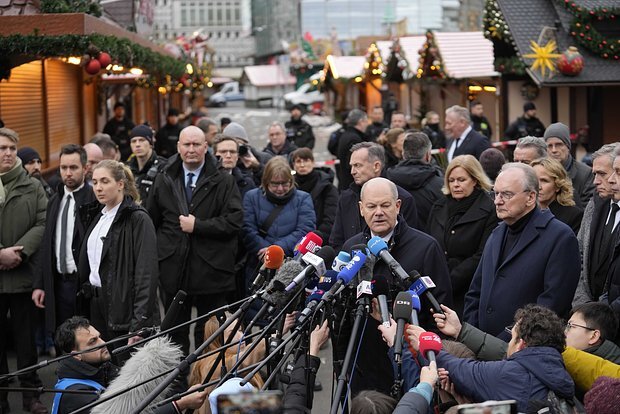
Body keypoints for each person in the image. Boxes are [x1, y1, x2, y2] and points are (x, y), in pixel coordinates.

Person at [340, 177, 452, 395]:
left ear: (398, 206)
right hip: (365, 370)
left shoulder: (426, 247)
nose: (378, 212)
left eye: (385, 205)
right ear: (361, 209)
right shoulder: (352, 248)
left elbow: (440, 312)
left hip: (411, 368)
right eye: (372, 206)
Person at [147, 126, 243, 356]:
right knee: (174, 334)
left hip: (212, 271)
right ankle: (177, 385)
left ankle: (204, 383)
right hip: (174, 270)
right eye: (187, 144)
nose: (191, 149)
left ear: (206, 147)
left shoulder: (223, 180)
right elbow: (151, 221)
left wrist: (198, 225)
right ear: (178, 147)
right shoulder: (164, 178)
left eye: (196, 144)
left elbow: (234, 221)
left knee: (209, 335)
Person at [463, 163, 580, 338]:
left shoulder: (560, 237)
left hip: (524, 350)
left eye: (507, 194)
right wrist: (474, 336)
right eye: (495, 193)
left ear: (531, 197)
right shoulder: (496, 234)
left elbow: (550, 306)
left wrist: (504, 342)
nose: (498, 201)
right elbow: (475, 292)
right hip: (482, 348)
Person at [409, 304, 575, 413]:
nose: (508, 343)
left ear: (521, 345)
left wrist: (422, 342)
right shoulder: (555, 371)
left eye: (512, 337)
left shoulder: (512, 374)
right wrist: (460, 331)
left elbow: (461, 369)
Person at [79, 160, 159, 356]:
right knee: (104, 367)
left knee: (126, 370)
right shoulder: (98, 215)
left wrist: (139, 323)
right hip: (96, 305)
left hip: (124, 310)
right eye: (95, 182)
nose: (98, 188)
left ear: (120, 184)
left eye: (105, 181)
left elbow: (146, 274)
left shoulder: (137, 218)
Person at [52, 316, 207, 414]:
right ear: (76, 355)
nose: (103, 343)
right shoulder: (75, 395)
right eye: (93, 342)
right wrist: (181, 404)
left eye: (99, 337)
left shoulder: (96, 368)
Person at [0, 127, 48, 414]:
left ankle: (32, 396)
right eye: (2, 148)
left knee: (26, 341)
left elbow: (43, 222)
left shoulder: (32, 186)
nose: (7, 153)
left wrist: (19, 251)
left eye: (11, 149)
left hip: (22, 276)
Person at [33, 144, 96, 337]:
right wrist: (40, 284)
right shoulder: (55, 200)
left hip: (82, 285)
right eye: (63, 168)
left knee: (86, 340)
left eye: (73, 168)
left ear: (85, 169)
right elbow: (46, 245)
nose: (68, 173)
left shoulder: (93, 200)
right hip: (57, 283)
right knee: (62, 339)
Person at [427, 155, 498, 316]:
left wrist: (450, 279)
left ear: (475, 180)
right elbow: (429, 243)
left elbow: (482, 254)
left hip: (468, 291)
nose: (456, 185)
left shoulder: (488, 209)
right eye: (451, 180)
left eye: (461, 180)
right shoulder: (439, 206)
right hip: (436, 288)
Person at [330, 142, 418, 252]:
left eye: (357, 165)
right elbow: (336, 241)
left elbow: (410, 242)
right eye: (351, 166)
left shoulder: (404, 198)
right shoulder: (346, 198)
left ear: (376, 166)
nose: (352, 172)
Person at [242, 156, 315, 286]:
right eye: (275, 184)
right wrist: (263, 249)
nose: (280, 189)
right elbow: (247, 228)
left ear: (291, 181)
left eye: (285, 183)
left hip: (291, 265)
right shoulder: (251, 197)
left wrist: (275, 250)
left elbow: (305, 229)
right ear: (266, 182)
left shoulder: (303, 198)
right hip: (258, 264)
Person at [573, 143, 619, 306]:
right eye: (594, 174)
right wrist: (582, 305)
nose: (595, 181)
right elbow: (579, 256)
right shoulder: (594, 206)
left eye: (602, 174)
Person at [387, 131, 444, 233]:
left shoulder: (387, 183)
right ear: (428, 155)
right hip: (430, 242)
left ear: (403, 154)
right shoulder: (441, 185)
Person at [291, 147, 338, 242]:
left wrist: (314, 239)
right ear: (293, 165)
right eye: (298, 161)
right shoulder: (288, 187)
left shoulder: (327, 188)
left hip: (320, 240)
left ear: (313, 162)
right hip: (293, 239)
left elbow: (330, 219)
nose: (302, 165)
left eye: (306, 160)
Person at [544, 122, 594, 208]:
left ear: (568, 147)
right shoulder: (541, 172)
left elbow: (588, 210)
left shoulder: (586, 173)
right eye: (550, 146)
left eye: (559, 145)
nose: (554, 150)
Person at [530, 157, 583, 234]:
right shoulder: (522, 212)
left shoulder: (573, 215)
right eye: (534, 180)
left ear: (558, 185)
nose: (538, 187)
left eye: (544, 181)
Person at [127, 124, 167, 201]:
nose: (137, 145)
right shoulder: (127, 169)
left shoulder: (163, 167)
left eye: (142, 140)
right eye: (134, 141)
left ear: (151, 143)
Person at [213, 135, 255, 199]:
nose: (228, 156)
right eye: (223, 152)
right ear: (215, 155)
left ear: (237, 156)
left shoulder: (247, 183)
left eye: (232, 152)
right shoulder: (205, 182)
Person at [336, 109, 369, 191]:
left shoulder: (346, 134)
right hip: (351, 184)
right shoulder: (354, 139)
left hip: (345, 182)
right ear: (361, 121)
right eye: (366, 121)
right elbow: (354, 164)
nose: (367, 124)